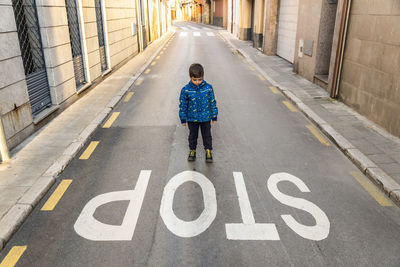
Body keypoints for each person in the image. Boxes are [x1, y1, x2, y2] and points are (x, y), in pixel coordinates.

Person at [179, 63, 218, 162]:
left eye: (200, 79)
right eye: (195, 80)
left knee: (207, 135)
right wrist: (183, 118)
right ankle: (192, 150)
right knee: (193, 136)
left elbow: (212, 102)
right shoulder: (186, 90)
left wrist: (214, 116)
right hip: (192, 119)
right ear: (190, 77)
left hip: (205, 118)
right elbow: (183, 105)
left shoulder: (208, 88)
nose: (197, 82)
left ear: (203, 76)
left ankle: (208, 150)